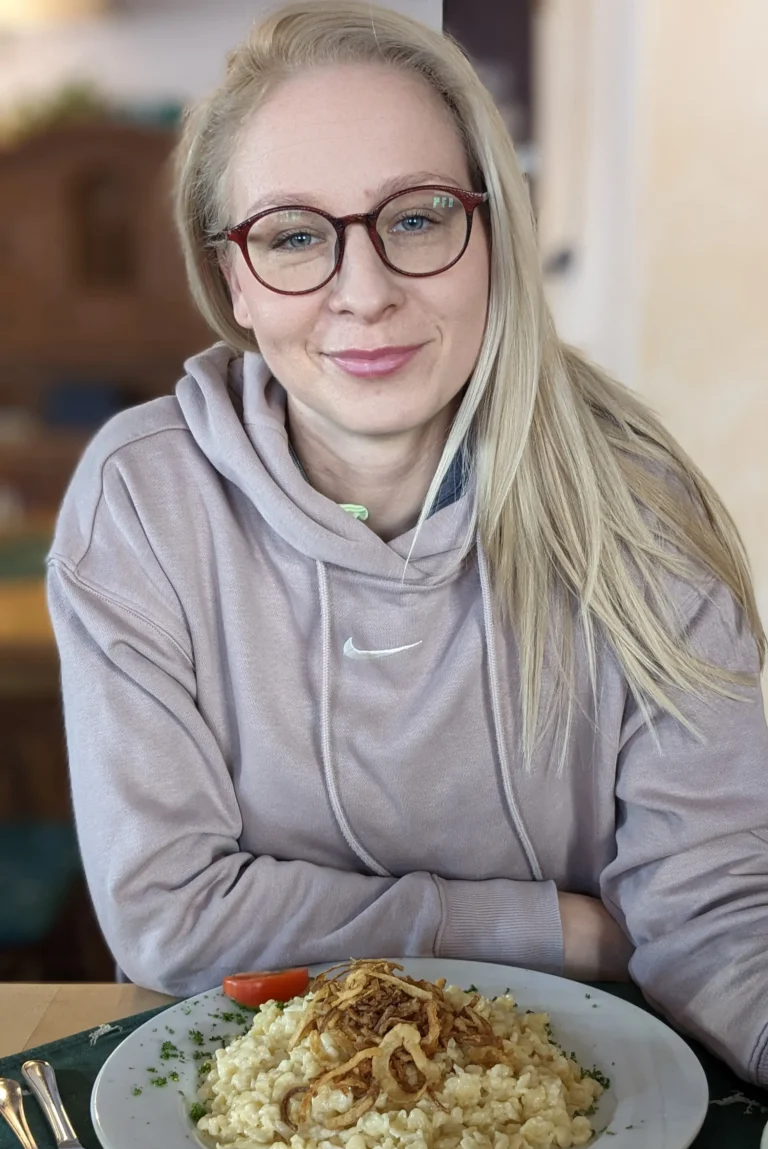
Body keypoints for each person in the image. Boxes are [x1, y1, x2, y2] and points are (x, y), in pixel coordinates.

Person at [48, 0, 767, 1085]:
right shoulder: (143, 500)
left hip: (583, 1102)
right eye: (294, 236)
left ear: (492, 234)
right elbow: (171, 916)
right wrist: (568, 931)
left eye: (419, 218)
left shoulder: (640, 505)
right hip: (245, 1118)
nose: (367, 291)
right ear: (234, 279)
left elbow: (718, 920)